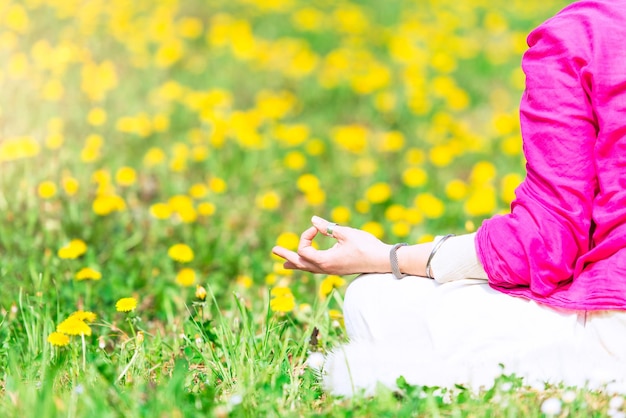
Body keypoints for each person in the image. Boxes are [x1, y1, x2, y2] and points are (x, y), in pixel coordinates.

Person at [272, 0, 626, 396]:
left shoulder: (583, 34)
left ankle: (573, 371)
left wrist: (385, 257)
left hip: (616, 326)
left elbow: (545, 243)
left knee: (370, 299)